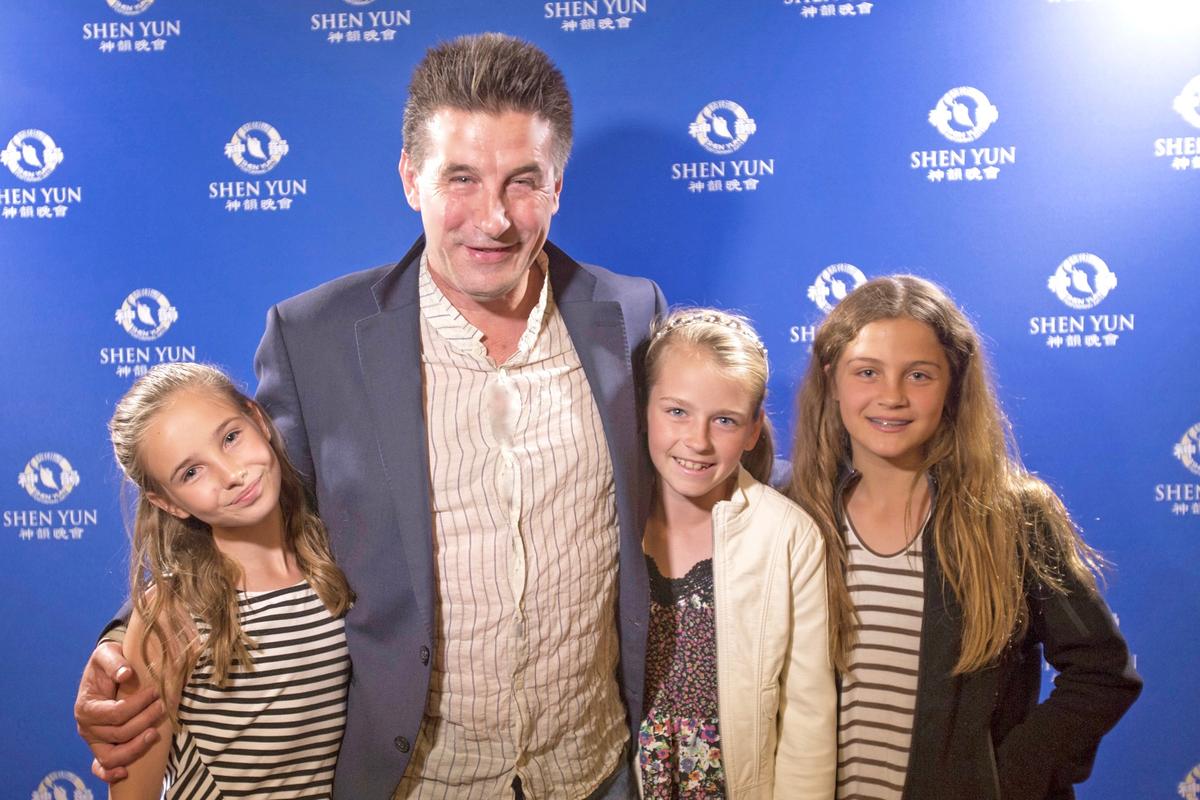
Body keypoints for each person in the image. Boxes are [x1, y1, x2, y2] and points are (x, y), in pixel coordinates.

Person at [75, 33, 664, 799]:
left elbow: (705, 481)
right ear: (410, 179)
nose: (492, 219)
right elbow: (244, 517)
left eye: (524, 182)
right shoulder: (312, 339)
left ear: (557, 187)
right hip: (410, 782)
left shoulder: (630, 314)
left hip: (595, 771)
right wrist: (127, 648)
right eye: (460, 178)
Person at [788, 275, 1142, 800]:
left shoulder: (1010, 517)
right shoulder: (794, 516)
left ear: (954, 381)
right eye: (867, 372)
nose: (891, 396)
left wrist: (1010, 773)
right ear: (830, 377)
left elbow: (1102, 672)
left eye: (919, 375)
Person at [106, 362, 353, 799]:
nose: (230, 474)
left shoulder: (334, 561)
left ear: (258, 419)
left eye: (230, 438)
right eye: (191, 472)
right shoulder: (170, 614)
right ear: (167, 502)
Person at [636, 308, 835, 799]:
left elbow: (808, 714)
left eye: (724, 420)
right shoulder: (608, 519)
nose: (698, 441)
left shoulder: (789, 537)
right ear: (643, 407)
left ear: (752, 429)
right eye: (677, 411)